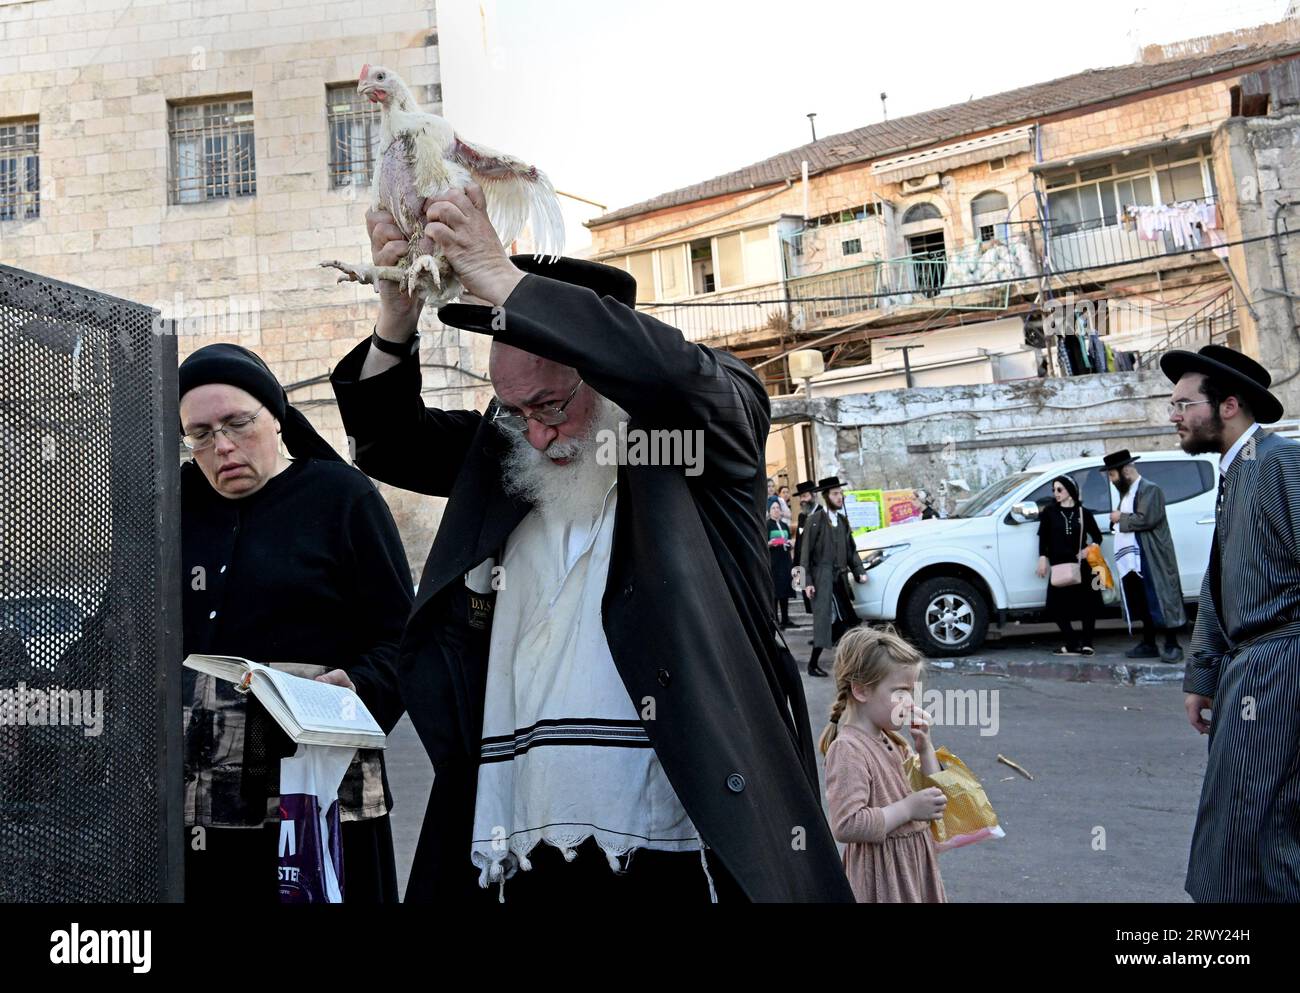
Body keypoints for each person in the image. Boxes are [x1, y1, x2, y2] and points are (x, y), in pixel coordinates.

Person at [329, 184, 853, 904]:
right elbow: (383, 439)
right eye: (515, 411)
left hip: (680, 846)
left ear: (605, 373)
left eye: (551, 404)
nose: (538, 434)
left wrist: (503, 276)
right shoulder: (511, 457)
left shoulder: (692, 446)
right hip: (520, 846)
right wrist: (396, 315)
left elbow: (682, 377)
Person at [179, 343, 410, 904]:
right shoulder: (174, 503)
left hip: (318, 778)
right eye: (201, 434)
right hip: (205, 794)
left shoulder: (342, 497)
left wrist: (357, 685)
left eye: (238, 423)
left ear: (277, 418)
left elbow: (405, 638)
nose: (223, 446)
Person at [1164, 344, 1300, 902]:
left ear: (1227, 406)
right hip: (1249, 671)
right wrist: (1203, 677)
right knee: (1238, 816)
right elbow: (1220, 588)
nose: (1172, 415)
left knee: (1268, 820)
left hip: (1282, 666)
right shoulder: (1237, 469)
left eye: (1182, 404)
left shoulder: (1278, 461)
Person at [821, 625, 948, 903]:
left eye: (911, 692)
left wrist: (925, 748)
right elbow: (847, 824)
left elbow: (933, 796)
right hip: (883, 875)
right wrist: (907, 809)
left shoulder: (893, 740)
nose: (909, 702)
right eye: (900, 691)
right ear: (861, 690)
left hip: (913, 862)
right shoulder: (848, 749)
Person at [1099, 449, 1186, 662]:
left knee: (1162, 598)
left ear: (1124, 471)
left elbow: (1147, 518)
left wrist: (1120, 517)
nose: (1111, 480)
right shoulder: (1127, 492)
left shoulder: (1150, 490)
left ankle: (1173, 644)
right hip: (1134, 558)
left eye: (1112, 475)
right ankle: (1149, 643)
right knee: (1143, 599)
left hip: (1152, 554)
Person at [799, 476, 867, 677]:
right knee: (832, 623)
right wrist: (807, 583)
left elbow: (851, 551)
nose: (840, 497)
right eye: (836, 494)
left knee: (846, 623)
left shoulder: (842, 521)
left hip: (840, 579)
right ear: (826, 496)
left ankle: (848, 663)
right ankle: (815, 665)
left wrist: (859, 571)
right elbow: (805, 555)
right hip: (822, 579)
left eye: (841, 493)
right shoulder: (815, 521)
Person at [1035, 475, 1103, 656]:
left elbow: (1098, 537)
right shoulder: (1050, 512)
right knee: (1055, 607)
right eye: (1053, 490)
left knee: (1088, 606)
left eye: (1059, 489)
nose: (1055, 493)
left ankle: (1088, 643)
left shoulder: (1083, 513)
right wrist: (1042, 558)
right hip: (1059, 565)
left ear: (1069, 490)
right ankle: (1072, 642)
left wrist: (1088, 550)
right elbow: (1044, 538)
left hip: (1081, 566)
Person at [791, 480, 819, 617]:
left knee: (820, 602)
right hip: (803, 567)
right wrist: (796, 569)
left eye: (805, 496)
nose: (802, 500)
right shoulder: (802, 516)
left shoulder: (822, 514)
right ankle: (818, 635)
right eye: (801, 497)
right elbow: (799, 544)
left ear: (814, 495)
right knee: (810, 604)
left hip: (817, 568)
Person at [767, 500, 794, 629]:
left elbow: (788, 540)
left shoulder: (784, 525)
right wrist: (770, 543)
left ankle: (785, 619)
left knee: (785, 590)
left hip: (785, 561)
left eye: (778, 507)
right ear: (769, 511)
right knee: (775, 592)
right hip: (774, 562)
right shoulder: (767, 525)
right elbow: (763, 543)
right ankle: (775, 620)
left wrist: (790, 544)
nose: (776, 510)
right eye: (773, 508)